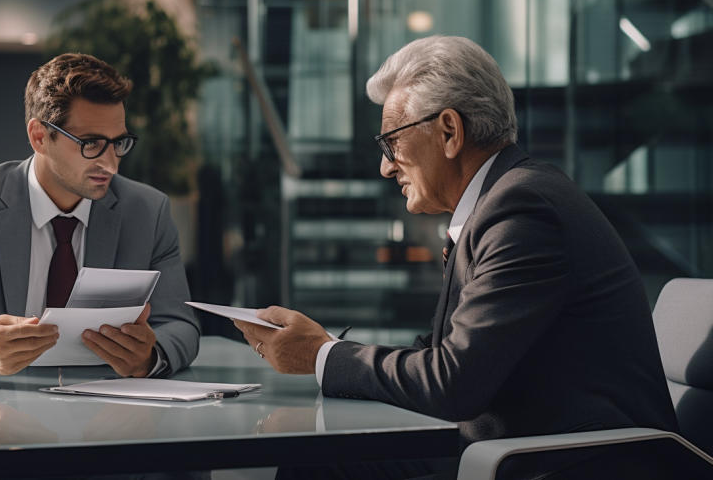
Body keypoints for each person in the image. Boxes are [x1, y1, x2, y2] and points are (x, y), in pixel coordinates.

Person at [235, 36, 679, 477]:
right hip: (516, 448)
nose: (385, 167)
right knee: (318, 459)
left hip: (569, 464)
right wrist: (326, 349)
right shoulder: (502, 202)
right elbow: (440, 356)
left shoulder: (523, 210)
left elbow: (452, 383)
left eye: (390, 142)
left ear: (449, 131)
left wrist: (322, 356)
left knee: (318, 465)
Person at [0, 53, 200, 384]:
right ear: (39, 137)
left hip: (106, 419)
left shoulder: (147, 212)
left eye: (118, 143)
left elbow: (181, 327)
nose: (110, 163)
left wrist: (150, 357)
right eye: (91, 144)